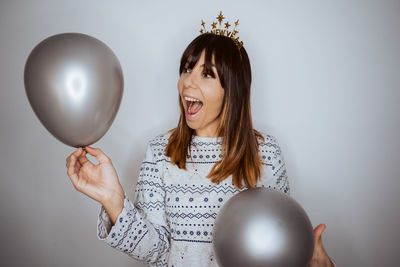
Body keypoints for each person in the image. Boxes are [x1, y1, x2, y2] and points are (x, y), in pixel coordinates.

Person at [66, 19, 335, 267]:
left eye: (207, 74)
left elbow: (277, 249)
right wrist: (112, 199)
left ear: (232, 89)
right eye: (186, 69)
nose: (187, 82)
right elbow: (156, 252)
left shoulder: (267, 153)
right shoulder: (160, 152)